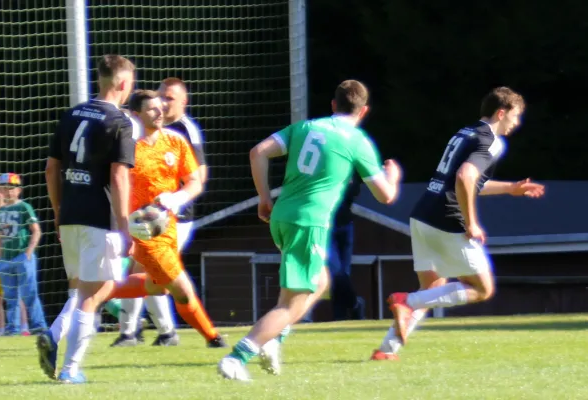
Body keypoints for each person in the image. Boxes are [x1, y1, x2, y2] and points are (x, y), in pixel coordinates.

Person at [218, 79, 402, 381]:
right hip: (309, 222)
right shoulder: (356, 140)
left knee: (319, 282)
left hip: (282, 216)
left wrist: (264, 198)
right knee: (293, 303)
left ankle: (274, 340)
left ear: (333, 105)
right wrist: (392, 175)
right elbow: (386, 196)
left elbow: (258, 152)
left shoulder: (305, 127)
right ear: (364, 111)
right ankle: (238, 357)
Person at [371, 87, 545, 361]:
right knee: (482, 289)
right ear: (501, 113)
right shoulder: (492, 141)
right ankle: (406, 301)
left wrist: (510, 188)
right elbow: (465, 177)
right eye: (516, 116)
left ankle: (386, 350)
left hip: (423, 213)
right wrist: (472, 223)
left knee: (432, 289)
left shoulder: (465, 132)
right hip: (448, 218)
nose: (517, 122)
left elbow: (468, 181)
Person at [38, 54, 138, 383]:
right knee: (94, 294)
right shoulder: (120, 122)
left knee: (84, 290)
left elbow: (51, 169)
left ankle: (54, 336)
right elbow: (119, 176)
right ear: (122, 84)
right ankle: (70, 369)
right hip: (100, 217)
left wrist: (57, 212)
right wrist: (125, 226)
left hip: (69, 214)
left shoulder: (71, 115)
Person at [108, 77, 208, 347]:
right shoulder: (140, 133)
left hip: (175, 217)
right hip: (145, 215)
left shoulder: (184, 131)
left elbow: (198, 176)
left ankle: (144, 331)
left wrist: (176, 199)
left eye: (169, 98)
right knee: (149, 272)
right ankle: (147, 331)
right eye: (160, 97)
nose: (163, 104)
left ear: (184, 102)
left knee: (154, 272)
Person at [300, 172, 365, 323]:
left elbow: (355, 191)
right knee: (336, 272)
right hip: (323, 227)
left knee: (343, 275)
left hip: (345, 225)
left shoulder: (347, 166)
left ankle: (339, 318)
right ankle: (355, 304)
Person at [0, 173, 47, 336]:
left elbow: (36, 230)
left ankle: (39, 325)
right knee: (10, 297)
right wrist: (0, 257)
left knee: (29, 293)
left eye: (11, 188)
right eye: (4, 188)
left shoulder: (24, 207)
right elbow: (0, 234)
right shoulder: (1, 211)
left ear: (18, 190)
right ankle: (13, 328)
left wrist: (28, 253)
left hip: (22, 257)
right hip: (6, 259)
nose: (7, 191)